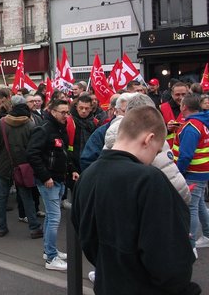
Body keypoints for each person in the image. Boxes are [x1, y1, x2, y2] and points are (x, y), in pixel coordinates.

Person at [72, 106, 201, 295]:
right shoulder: (149, 179)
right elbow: (170, 260)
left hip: (107, 284)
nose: (153, 158)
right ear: (149, 139)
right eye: (157, 152)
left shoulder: (87, 176)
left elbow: (84, 233)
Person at [27, 99, 78, 271]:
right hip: (49, 181)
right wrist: (45, 176)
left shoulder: (59, 127)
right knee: (54, 218)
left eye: (67, 112)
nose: (66, 116)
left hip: (58, 178)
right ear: (53, 112)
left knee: (51, 216)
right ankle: (51, 258)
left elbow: (62, 152)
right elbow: (32, 154)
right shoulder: (44, 129)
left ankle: (50, 250)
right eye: (63, 112)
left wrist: (71, 169)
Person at [0, 95, 43, 239]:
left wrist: (2, 150)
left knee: (2, 196)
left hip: (5, 164)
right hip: (24, 166)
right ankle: (34, 228)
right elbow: (35, 146)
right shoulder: (30, 124)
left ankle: (1, 228)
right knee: (26, 196)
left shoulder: (2, 123)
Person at [173, 94, 209, 256]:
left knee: (191, 208)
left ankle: (190, 245)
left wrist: (178, 172)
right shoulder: (201, 123)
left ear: (184, 107)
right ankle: (207, 234)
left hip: (192, 172)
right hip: (201, 172)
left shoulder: (191, 127)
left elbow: (186, 155)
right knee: (200, 204)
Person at [160, 81, 188, 148]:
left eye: (184, 94)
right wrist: (167, 128)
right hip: (167, 150)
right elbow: (156, 131)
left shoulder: (193, 108)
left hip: (187, 149)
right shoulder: (162, 108)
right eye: (177, 95)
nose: (181, 98)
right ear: (172, 94)